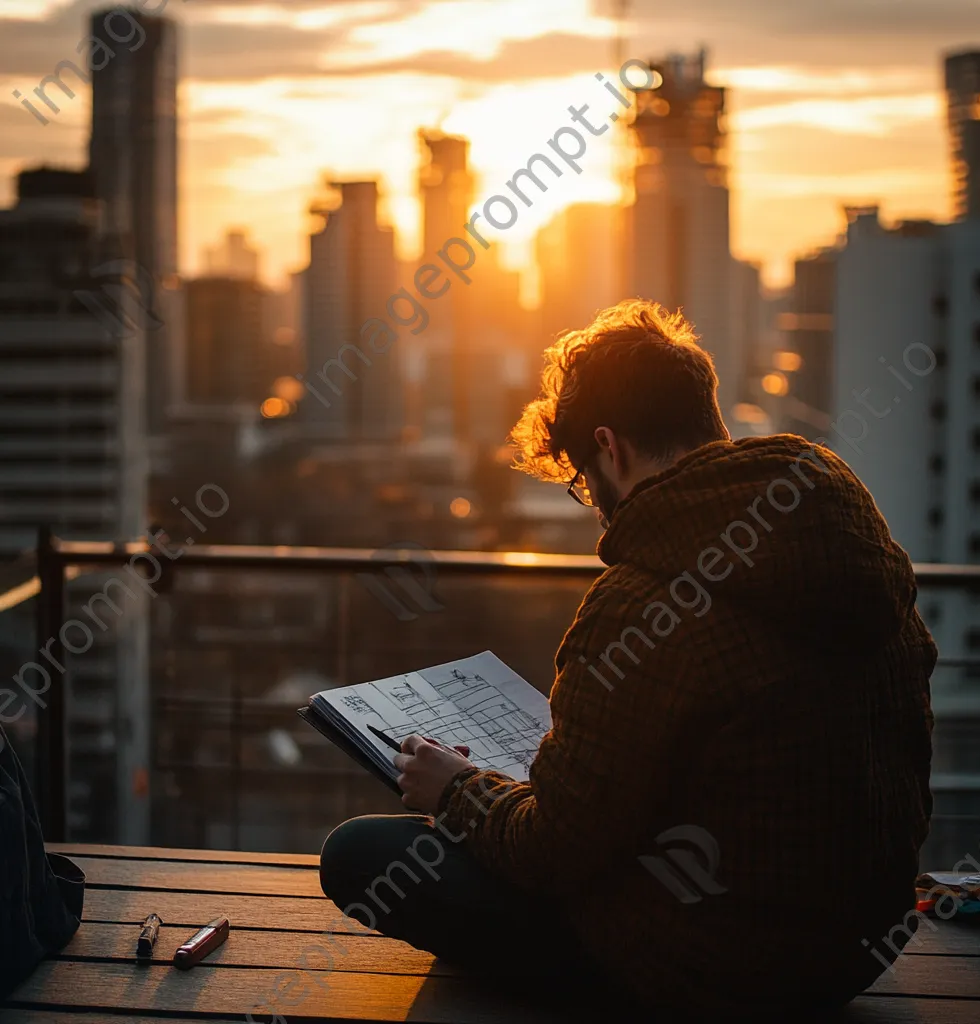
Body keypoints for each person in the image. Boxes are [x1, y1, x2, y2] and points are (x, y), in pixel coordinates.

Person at [320, 299, 937, 1020]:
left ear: (609, 447)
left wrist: (455, 791)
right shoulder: (853, 548)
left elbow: (552, 853)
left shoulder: (642, 600)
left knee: (363, 855)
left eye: (584, 481)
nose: (595, 505)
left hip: (719, 969)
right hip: (856, 950)